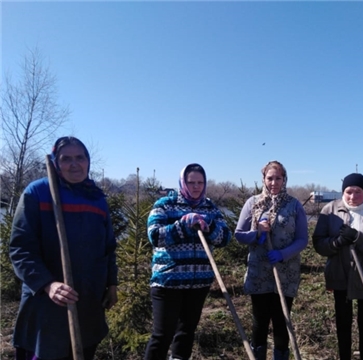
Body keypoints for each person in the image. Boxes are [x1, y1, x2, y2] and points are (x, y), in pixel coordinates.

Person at [9, 136, 118, 360]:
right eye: (66, 158)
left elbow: (108, 246)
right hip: (46, 302)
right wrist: (48, 284)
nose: (74, 164)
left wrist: (112, 283)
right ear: (56, 162)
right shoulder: (38, 192)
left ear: (88, 161)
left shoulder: (96, 198)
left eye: (80, 157)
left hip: (88, 298)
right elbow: (21, 248)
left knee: (83, 349)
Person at [144, 163, 231, 360]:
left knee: (185, 334)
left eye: (200, 182)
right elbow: (155, 236)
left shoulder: (210, 208)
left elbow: (225, 237)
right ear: (183, 182)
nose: (196, 187)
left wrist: (208, 227)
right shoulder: (165, 205)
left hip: (198, 282)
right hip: (168, 281)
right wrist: (183, 224)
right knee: (162, 335)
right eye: (191, 182)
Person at [312, 173, 363, 360]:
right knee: (343, 323)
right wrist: (337, 242)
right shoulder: (330, 211)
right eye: (348, 191)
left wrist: (360, 239)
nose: (352, 196)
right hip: (340, 276)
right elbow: (318, 243)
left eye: (357, 192)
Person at [235, 161, 308, 360]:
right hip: (259, 273)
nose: (274, 182)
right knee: (259, 322)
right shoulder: (253, 202)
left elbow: (302, 239)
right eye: (270, 178)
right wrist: (256, 232)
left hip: (286, 273)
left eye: (278, 178)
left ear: (284, 179)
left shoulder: (294, 205)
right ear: (264, 179)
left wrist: (283, 254)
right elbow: (239, 235)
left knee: (281, 322)